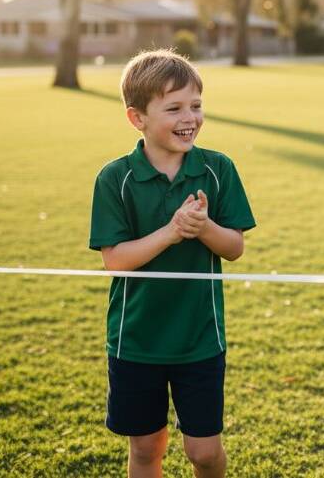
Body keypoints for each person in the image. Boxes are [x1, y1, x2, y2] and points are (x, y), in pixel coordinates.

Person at [89, 49, 256, 478]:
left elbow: (234, 247)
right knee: (146, 450)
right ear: (137, 118)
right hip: (135, 340)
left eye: (196, 106)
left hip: (199, 338)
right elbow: (116, 261)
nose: (190, 118)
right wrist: (172, 230)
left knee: (203, 452)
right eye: (175, 108)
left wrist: (203, 228)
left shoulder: (218, 169)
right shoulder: (115, 178)